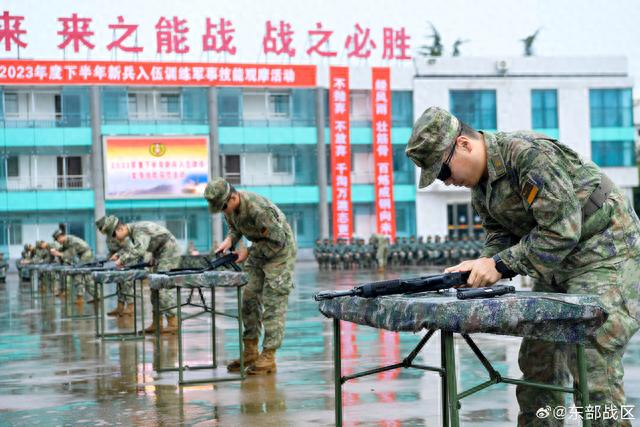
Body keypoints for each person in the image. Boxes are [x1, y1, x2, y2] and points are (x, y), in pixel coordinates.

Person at [406, 106, 640, 426]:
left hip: (606, 254)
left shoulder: (529, 156)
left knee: (590, 359)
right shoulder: (481, 188)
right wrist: (480, 266)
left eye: (443, 171)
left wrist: (499, 265)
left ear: (464, 144)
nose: (445, 182)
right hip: (557, 265)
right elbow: (500, 236)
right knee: (539, 363)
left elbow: (561, 231)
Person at [204, 177, 296, 375]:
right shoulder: (230, 208)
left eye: (223, 207)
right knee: (249, 299)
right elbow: (235, 227)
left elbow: (277, 241)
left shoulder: (258, 209)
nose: (223, 211)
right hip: (257, 250)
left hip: (279, 253)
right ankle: (251, 351)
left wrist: (247, 251)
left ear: (233, 197)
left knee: (273, 303)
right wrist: (230, 240)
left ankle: (269, 356)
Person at [104, 218, 179, 334]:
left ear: (120, 228)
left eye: (114, 235)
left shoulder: (139, 230)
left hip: (168, 252)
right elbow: (139, 247)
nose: (115, 239)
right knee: (154, 287)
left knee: (162, 287)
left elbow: (139, 250)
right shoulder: (134, 232)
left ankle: (173, 322)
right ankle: (157, 323)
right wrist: (120, 255)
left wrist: (121, 260)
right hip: (159, 253)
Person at [96, 215, 134, 317]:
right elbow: (112, 250)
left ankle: (131, 306)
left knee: (126, 283)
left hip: (128, 259)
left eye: (100, 228)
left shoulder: (118, 231)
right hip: (118, 262)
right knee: (119, 282)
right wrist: (108, 259)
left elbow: (129, 249)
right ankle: (120, 307)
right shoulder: (109, 234)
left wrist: (117, 255)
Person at [51, 226, 95, 303]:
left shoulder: (72, 241)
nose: (58, 242)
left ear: (61, 237)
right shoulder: (67, 240)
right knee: (82, 276)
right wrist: (57, 251)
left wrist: (58, 253)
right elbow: (64, 249)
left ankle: (81, 297)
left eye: (58, 240)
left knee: (80, 274)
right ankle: (86, 296)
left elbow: (70, 254)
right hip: (82, 255)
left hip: (86, 254)